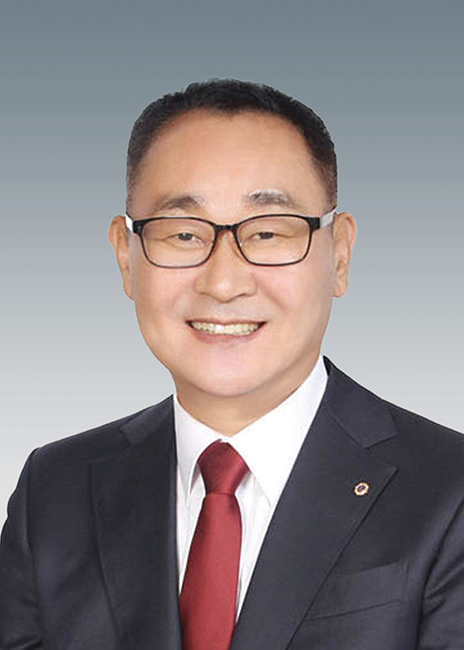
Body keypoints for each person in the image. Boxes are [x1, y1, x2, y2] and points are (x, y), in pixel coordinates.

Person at [0, 79, 463, 650]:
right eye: (183, 234)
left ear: (340, 255)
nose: (223, 282)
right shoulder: (56, 488)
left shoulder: (449, 492)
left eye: (267, 232)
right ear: (125, 257)